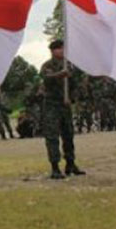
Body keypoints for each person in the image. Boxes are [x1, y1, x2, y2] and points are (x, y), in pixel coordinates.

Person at [40, 40, 85, 179]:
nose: (62, 51)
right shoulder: (48, 65)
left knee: (68, 135)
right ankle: (55, 167)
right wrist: (61, 74)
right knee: (53, 137)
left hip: (65, 105)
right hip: (51, 105)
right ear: (53, 51)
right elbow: (46, 78)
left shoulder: (69, 65)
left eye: (63, 48)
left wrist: (72, 97)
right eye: (59, 49)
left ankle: (70, 164)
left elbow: (75, 84)